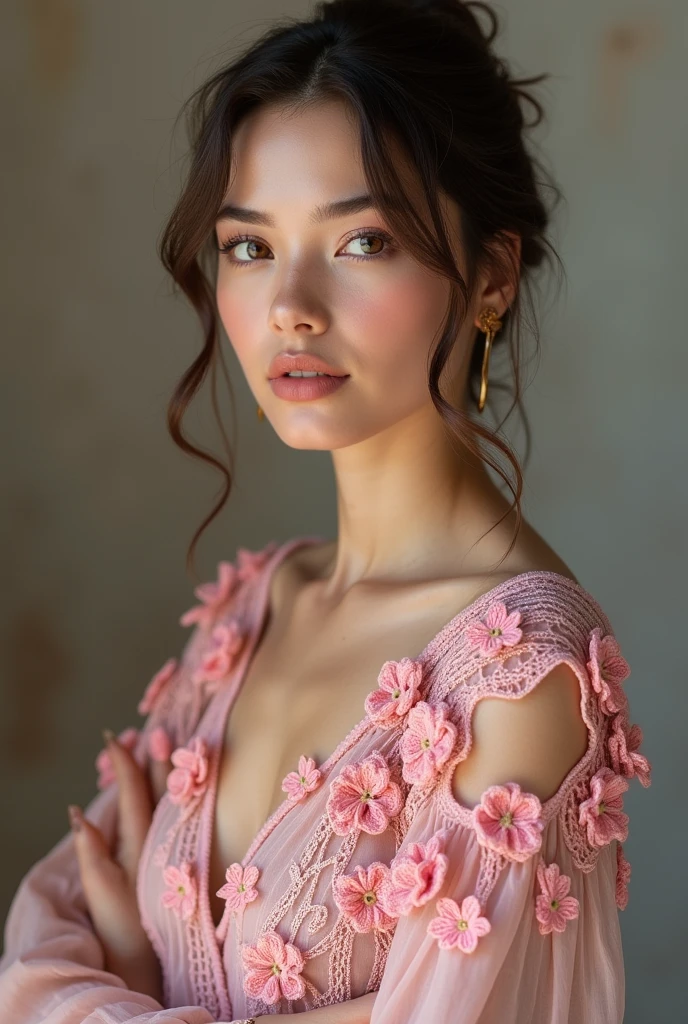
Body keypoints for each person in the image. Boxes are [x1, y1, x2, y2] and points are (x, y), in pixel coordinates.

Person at [0, 1, 652, 1021]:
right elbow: (39, 932)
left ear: (487, 276)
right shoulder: (255, 605)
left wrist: (119, 984)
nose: (290, 304)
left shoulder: (520, 675)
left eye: (360, 239)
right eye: (249, 247)